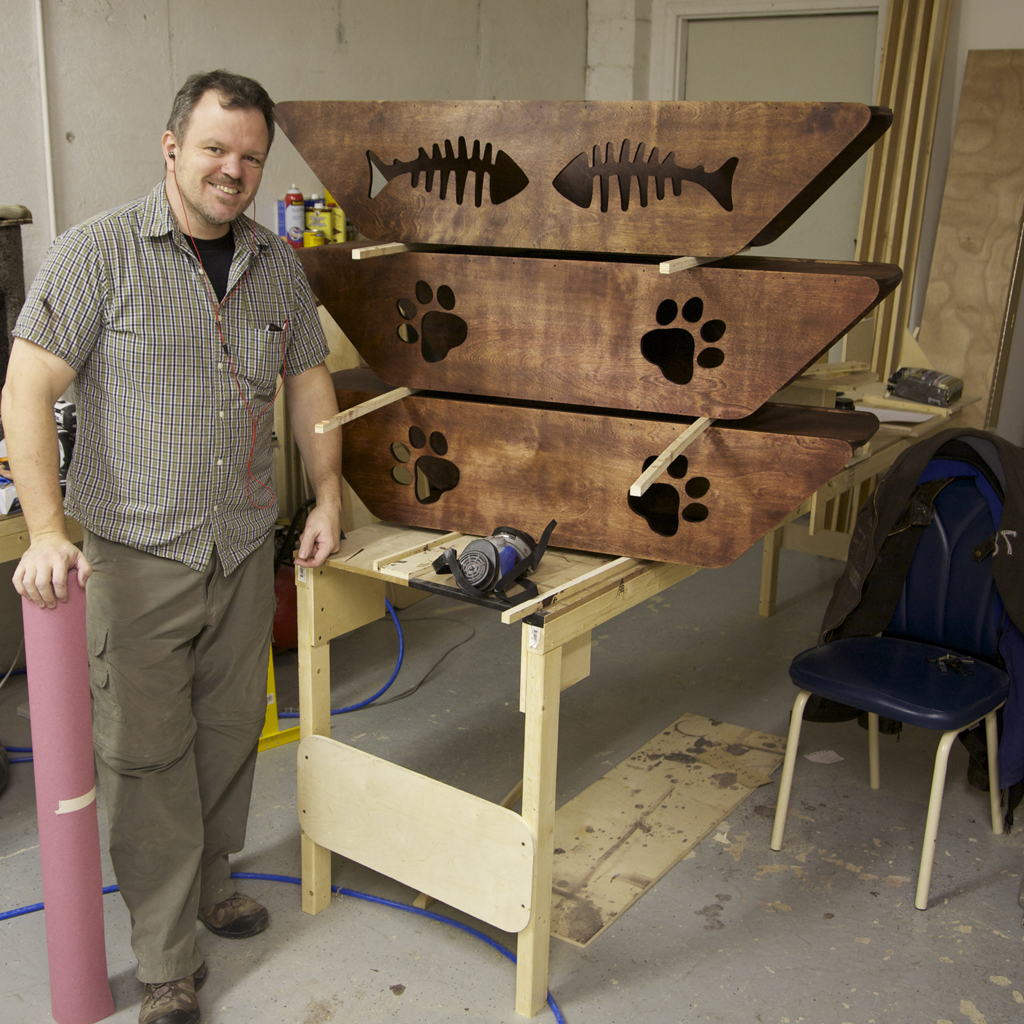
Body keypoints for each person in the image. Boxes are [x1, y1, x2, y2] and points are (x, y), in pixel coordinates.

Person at [1, 70, 342, 1024]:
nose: (232, 171)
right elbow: (25, 390)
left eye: (249, 157)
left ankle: (211, 886)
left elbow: (310, 384)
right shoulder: (96, 255)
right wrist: (44, 531)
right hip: (139, 556)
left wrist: (326, 497)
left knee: (230, 736)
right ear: (171, 146)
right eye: (214, 150)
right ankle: (164, 962)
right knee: (147, 759)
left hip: (240, 550)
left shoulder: (276, 264)